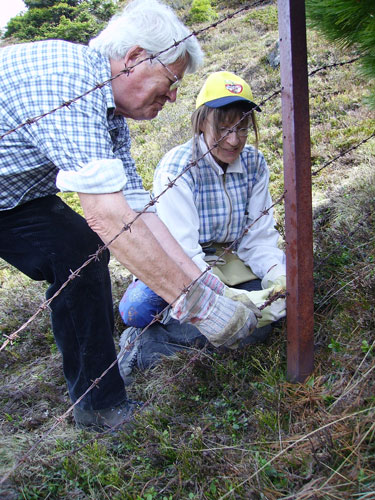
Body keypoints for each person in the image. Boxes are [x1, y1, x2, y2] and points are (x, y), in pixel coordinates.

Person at [0, 3, 262, 431]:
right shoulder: (67, 81)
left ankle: (98, 406)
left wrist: (204, 284)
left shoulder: (109, 112)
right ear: (136, 57)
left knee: (78, 252)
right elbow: (107, 215)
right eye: (171, 81)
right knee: (86, 240)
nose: (175, 96)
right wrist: (200, 308)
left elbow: (137, 210)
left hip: (16, 196)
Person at [118, 71, 287, 381]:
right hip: (177, 260)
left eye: (242, 128)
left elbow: (258, 237)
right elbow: (182, 250)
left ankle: (169, 337)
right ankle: (144, 344)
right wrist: (223, 296)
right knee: (138, 308)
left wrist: (277, 275)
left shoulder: (254, 163)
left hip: (227, 260)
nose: (234, 140)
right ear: (200, 123)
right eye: (223, 129)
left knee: (257, 323)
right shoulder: (179, 166)